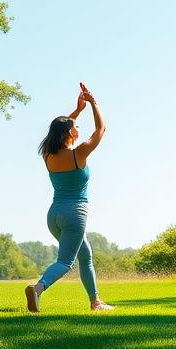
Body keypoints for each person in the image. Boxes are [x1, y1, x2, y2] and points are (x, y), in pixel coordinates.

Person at [25, 82, 113, 313]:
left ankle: (95, 302)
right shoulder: (79, 153)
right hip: (75, 214)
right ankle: (37, 289)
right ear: (70, 133)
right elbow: (101, 130)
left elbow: (57, 130)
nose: (78, 128)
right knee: (66, 262)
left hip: (54, 214)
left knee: (86, 255)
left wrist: (77, 111)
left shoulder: (47, 154)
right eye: (75, 126)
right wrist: (94, 103)